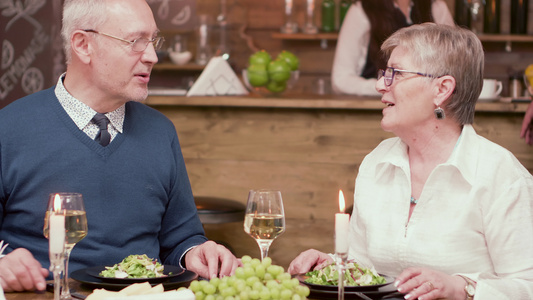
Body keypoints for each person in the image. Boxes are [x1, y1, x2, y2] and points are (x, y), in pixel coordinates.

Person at [0, 0, 238, 292]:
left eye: (152, 41)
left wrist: (197, 253)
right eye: (136, 41)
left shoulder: (161, 132)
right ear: (83, 44)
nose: (152, 56)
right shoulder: (8, 129)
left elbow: (181, 239)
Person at [289, 23, 533, 299]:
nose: (381, 84)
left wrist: (461, 288)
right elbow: (366, 268)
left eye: (396, 73)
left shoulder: (501, 176)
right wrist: (334, 266)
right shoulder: (378, 162)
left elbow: (527, 284)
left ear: (442, 89)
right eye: (384, 73)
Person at [331, 0, 454, 96]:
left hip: (426, 111)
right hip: (376, 110)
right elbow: (340, 80)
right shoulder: (362, 10)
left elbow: (455, 67)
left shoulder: (436, 7)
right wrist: (389, 86)